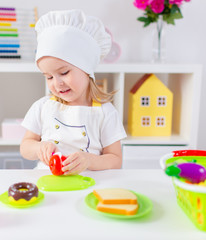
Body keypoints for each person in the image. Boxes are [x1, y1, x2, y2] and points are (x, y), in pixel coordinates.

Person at [20, 9, 127, 175]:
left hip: (89, 185)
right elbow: (25, 147)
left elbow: (115, 159)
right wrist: (39, 147)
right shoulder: (42, 107)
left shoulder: (105, 112)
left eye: (64, 73)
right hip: (47, 183)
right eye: (49, 77)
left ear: (86, 69)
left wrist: (89, 159)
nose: (57, 83)